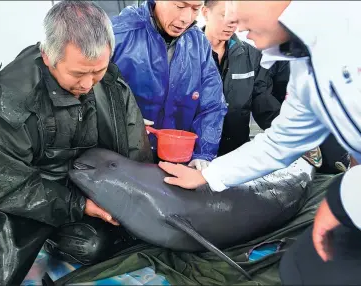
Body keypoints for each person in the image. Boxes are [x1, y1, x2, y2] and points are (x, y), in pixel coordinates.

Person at [158, 1, 361, 284]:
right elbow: (280, 142)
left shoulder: (351, 29)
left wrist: (347, 198)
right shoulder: (304, 66)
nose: (233, 20)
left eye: (235, 3)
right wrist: (207, 175)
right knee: (301, 268)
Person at [0, 2, 152, 285]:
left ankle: (58, 240)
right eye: (78, 74)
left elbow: (135, 154)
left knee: (100, 246)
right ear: (47, 56)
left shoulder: (113, 86)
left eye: (98, 71)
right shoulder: (7, 100)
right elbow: (5, 184)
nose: (89, 84)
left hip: (83, 190)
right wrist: (79, 206)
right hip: (17, 202)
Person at [111, 0, 228, 169]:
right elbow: (90, 94)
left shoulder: (199, 44)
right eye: (180, 6)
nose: (186, 18)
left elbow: (212, 104)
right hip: (122, 160)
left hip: (176, 162)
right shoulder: (119, 33)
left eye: (195, 9)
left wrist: (203, 153)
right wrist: (122, 120)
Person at [201, 0, 281, 155]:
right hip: (195, 154)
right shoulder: (185, 54)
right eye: (224, 15)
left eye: (235, 17)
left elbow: (263, 102)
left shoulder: (251, 56)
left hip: (235, 153)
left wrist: (290, 132)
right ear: (205, 13)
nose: (231, 24)